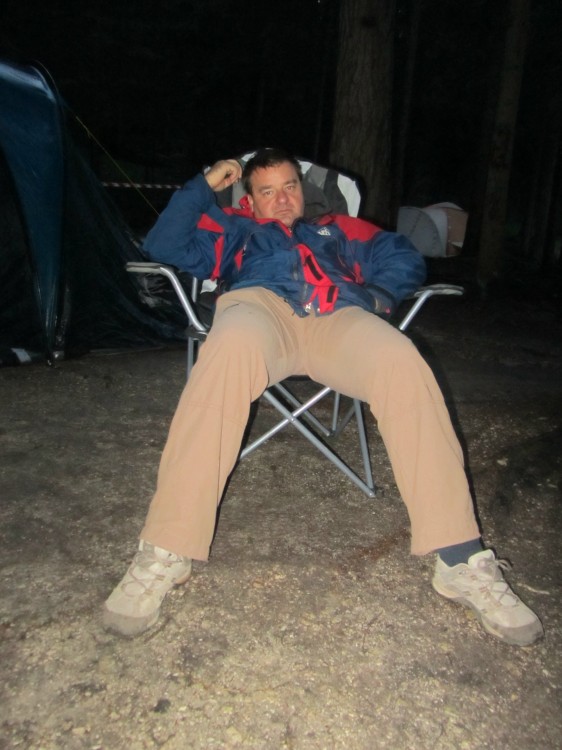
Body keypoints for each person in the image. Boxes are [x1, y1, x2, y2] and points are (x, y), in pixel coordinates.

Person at [103, 148, 543, 646]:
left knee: (402, 361)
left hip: (339, 315)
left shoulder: (338, 229)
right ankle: (166, 548)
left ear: (302, 189)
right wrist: (205, 184)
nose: (281, 199)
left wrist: (376, 296)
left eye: (289, 186)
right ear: (251, 200)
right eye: (267, 191)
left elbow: (400, 256)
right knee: (227, 352)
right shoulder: (233, 230)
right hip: (260, 311)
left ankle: (460, 557)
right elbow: (163, 243)